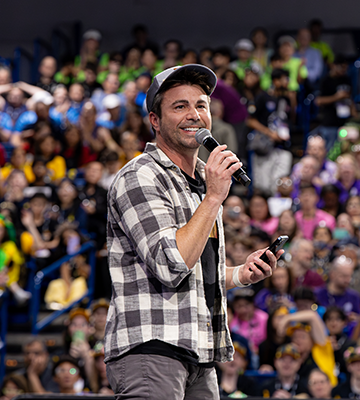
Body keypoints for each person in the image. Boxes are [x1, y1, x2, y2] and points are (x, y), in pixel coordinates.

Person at [104, 64, 281, 399]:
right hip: (153, 347)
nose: (194, 114)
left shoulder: (202, 177)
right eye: (179, 106)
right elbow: (171, 265)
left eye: (201, 105)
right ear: (155, 120)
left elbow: (195, 270)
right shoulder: (140, 177)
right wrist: (215, 196)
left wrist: (240, 274)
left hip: (199, 351)